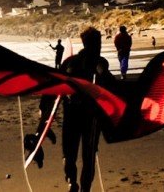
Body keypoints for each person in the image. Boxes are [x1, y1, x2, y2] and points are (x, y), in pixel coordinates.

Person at [29, 27, 116, 192]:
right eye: (96, 43)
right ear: (89, 44)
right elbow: (55, 86)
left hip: (82, 116)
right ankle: (77, 186)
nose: (99, 47)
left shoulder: (87, 63)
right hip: (82, 117)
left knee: (79, 155)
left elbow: (112, 86)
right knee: (78, 155)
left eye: (99, 44)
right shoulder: (82, 63)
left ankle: (78, 186)